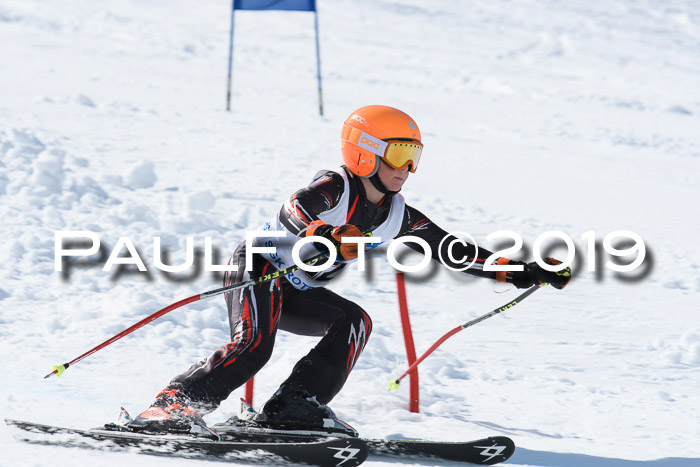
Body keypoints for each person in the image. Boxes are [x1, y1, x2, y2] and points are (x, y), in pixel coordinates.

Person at [130, 105, 571, 435]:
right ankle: (171, 408)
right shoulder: (336, 186)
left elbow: (451, 249)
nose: (408, 169)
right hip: (259, 268)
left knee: (354, 321)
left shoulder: (399, 215)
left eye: (415, 156)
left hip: (298, 289)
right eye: (399, 155)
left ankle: (293, 407)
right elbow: (296, 206)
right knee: (255, 347)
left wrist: (524, 271)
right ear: (366, 153)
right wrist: (321, 232)